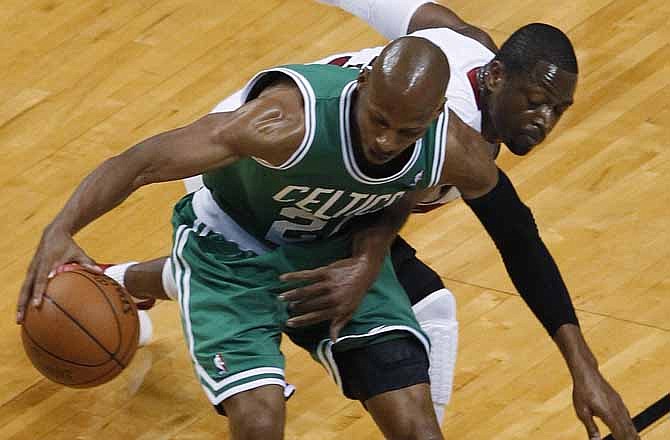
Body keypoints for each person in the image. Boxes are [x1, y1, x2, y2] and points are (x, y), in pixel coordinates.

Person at [82, 3, 640, 439]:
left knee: (296, 269)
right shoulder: (441, 125)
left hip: (331, 181)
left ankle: (120, 281)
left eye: (558, 110)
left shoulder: (465, 45)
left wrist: (582, 365)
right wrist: (367, 259)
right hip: (255, 162)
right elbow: (417, 202)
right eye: (535, 101)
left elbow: (394, 8)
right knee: (404, 303)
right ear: (497, 78)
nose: (544, 121)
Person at [17, 36, 491, 439]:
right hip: (236, 218)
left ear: (436, 113)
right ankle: (144, 279)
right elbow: (140, 163)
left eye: (407, 130)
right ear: (363, 83)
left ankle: (125, 279)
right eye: (380, 121)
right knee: (260, 423)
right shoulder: (286, 123)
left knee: (416, 419)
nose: (388, 141)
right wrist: (60, 228)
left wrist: (369, 258)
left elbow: (402, 191)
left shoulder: (451, 146)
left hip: (323, 244)